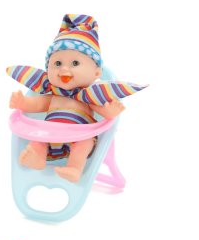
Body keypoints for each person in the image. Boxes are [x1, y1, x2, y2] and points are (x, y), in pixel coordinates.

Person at [8, 13, 146, 182]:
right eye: (57, 63)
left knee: (84, 144)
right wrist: (22, 102)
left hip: (80, 138)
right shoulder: (53, 95)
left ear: (96, 73)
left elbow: (101, 111)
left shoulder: (88, 97)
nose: (64, 70)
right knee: (37, 140)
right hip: (50, 137)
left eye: (75, 63)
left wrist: (110, 112)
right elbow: (37, 104)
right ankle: (37, 156)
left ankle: (74, 168)